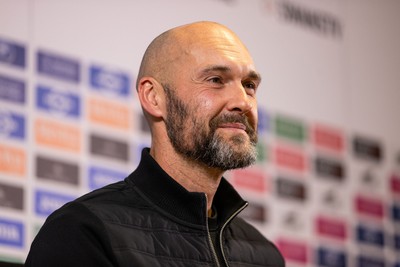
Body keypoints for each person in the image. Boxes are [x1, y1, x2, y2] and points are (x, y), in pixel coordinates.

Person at [25, 21, 285, 267]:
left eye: (249, 85)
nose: (243, 101)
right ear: (154, 97)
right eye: (215, 80)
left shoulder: (265, 255)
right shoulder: (83, 232)